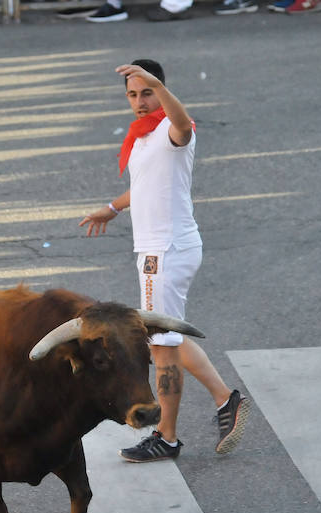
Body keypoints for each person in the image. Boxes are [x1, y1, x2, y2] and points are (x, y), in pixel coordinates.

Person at [79, 59, 249, 462]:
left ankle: (167, 437)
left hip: (166, 251)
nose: (140, 101)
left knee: (160, 346)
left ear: (161, 90)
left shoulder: (174, 132)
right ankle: (227, 400)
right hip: (158, 249)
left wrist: (161, 87)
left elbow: (184, 123)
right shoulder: (142, 137)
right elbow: (145, 186)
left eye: (147, 92)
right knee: (167, 337)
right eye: (133, 95)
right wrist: (112, 207)